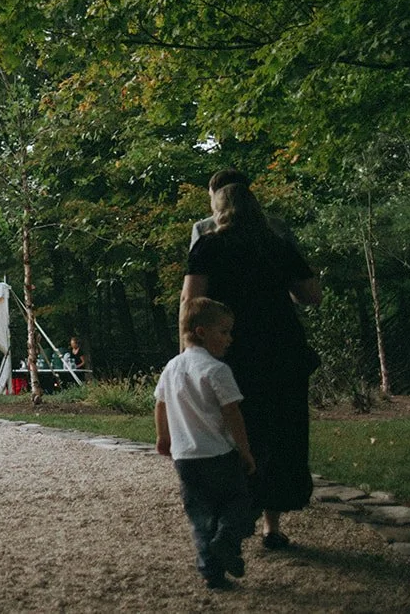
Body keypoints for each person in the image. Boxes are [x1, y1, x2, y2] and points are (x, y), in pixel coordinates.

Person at [183, 179, 322, 551]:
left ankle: (229, 520)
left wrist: (188, 354)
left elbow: (191, 301)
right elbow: (311, 295)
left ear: (219, 207)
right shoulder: (275, 244)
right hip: (281, 350)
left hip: (231, 350)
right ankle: (270, 528)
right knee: (280, 434)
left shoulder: (208, 245)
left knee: (232, 432)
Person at [155, 297, 257, 591]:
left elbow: (160, 404)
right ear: (201, 332)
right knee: (238, 501)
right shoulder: (216, 370)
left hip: (185, 458)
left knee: (200, 515)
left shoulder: (172, 367)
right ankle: (226, 540)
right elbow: (231, 411)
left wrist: (163, 437)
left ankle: (211, 573)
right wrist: (245, 450)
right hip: (219, 455)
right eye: (223, 332)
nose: (229, 339)